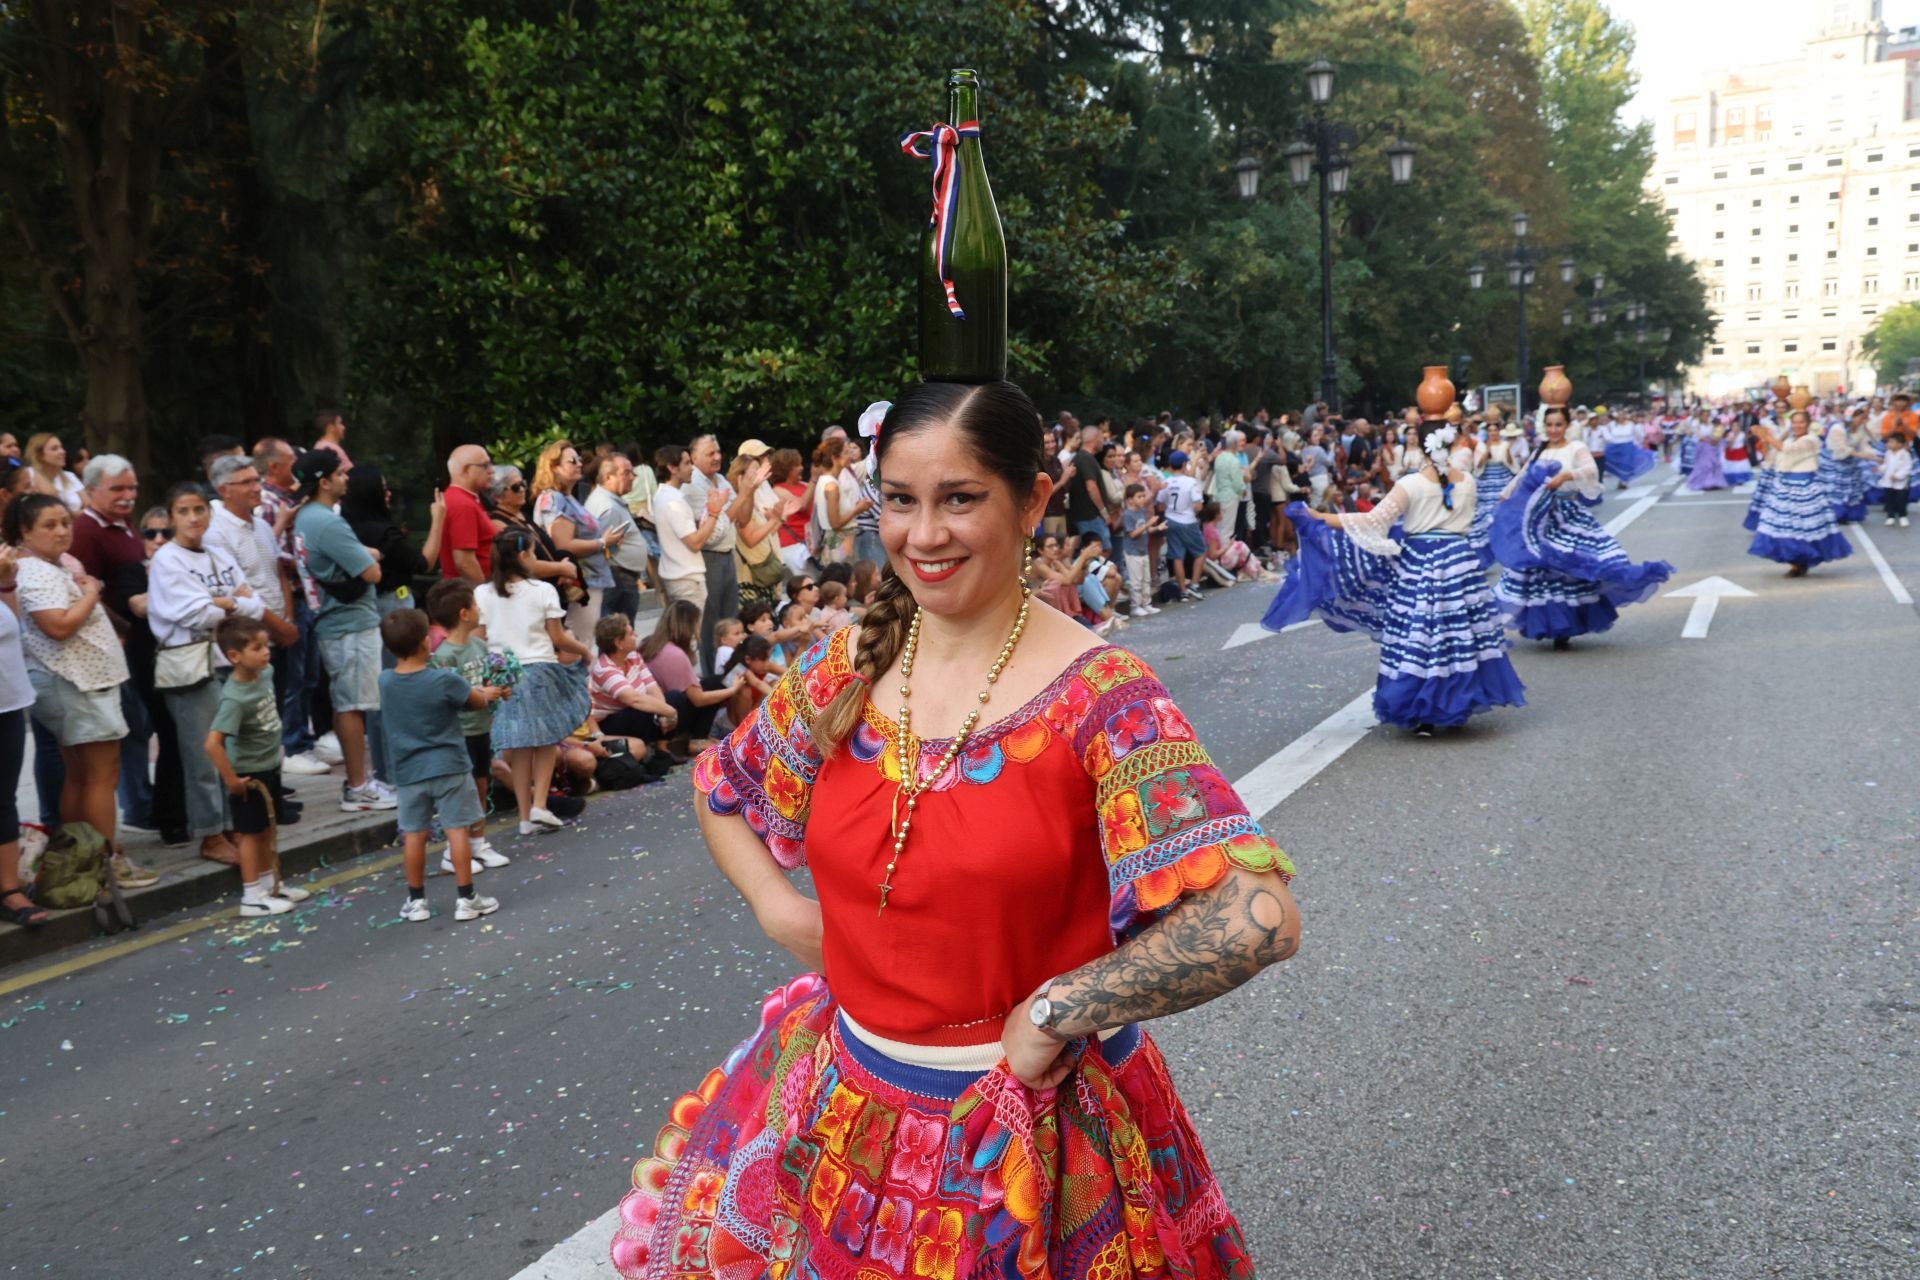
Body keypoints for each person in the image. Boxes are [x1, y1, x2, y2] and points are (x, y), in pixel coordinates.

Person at [610, 379, 1298, 1280]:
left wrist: (1056, 1013)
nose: (923, 535)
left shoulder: (1104, 698)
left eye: (960, 498)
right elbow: (722, 784)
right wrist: (783, 913)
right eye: (900, 500)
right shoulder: (851, 663)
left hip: (1027, 1139)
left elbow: (1258, 916)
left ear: (1033, 501)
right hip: (843, 1108)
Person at [1271, 418, 1525, 735]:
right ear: (1454, 445)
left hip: (1420, 563)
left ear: (1421, 447)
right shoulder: (1468, 482)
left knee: (1421, 636)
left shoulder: (1411, 484)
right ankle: (1457, 704)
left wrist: (1321, 516)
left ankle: (1426, 711)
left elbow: (1374, 520)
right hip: (1460, 564)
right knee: (1458, 636)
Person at [9, 494, 137, 878]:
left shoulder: (45, 565)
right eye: (48, 525)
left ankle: (84, 859)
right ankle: (106, 865)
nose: (62, 531)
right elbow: (59, 626)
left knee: (81, 775)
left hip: (77, 681)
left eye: (65, 521)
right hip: (77, 682)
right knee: (100, 776)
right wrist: (92, 593)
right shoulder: (32, 570)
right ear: (23, 531)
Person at [149, 482, 267, 864]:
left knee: (230, 751)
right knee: (203, 755)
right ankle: (210, 832)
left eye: (199, 509)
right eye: (183, 511)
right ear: (171, 518)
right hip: (191, 666)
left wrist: (221, 603)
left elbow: (258, 605)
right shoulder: (168, 560)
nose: (193, 518)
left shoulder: (217, 555)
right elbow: (193, 613)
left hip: (225, 662)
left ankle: (232, 823)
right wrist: (233, 603)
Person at [1491, 406, 1674, 650]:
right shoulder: (1539, 450)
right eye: (1550, 425)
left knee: (1569, 567)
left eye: (1558, 424)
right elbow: (1522, 477)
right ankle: (1547, 621)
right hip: (1539, 518)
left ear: (1567, 426)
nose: (1554, 429)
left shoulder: (1575, 447)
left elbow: (1591, 470)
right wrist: (1505, 495)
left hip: (1567, 513)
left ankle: (1566, 624)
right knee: (1538, 570)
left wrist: (1566, 476)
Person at [378, 607, 505, 922]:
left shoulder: (385, 681)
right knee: (457, 830)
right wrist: (484, 692)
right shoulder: (444, 679)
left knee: (414, 834)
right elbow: (475, 701)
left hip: (408, 771)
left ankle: (416, 901)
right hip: (449, 765)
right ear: (426, 642)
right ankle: (466, 898)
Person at [291, 450, 397, 811]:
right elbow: (372, 572)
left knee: (346, 703)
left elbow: (359, 556)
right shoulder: (327, 522)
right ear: (324, 481)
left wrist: (366, 555)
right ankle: (358, 787)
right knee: (354, 706)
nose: (346, 479)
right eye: (340, 473)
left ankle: (359, 783)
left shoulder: (308, 517)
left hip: (334, 622)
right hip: (349, 623)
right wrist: (373, 557)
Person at [476, 527, 592, 836]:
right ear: (523, 556)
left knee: (521, 744)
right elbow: (557, 638)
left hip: (504, 676)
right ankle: (540, 803)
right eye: (534, 551)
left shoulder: (482, 594)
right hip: (539, 670)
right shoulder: (542, 591)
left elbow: (480, 638)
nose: (538, 557)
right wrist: (583, 651)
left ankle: (526, 817)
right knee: (544, 741)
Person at [204, 616, 311, 917]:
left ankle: (271, 885)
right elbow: (212, 743)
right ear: (235, 656)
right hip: (247, 775)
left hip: (268, 767)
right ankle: (251, 895)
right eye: (257, 648)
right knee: (249, 834)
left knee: (266, 830)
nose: (266, 652)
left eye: (266, 645)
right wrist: (232, 781)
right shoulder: (234, 699)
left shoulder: (266, 673)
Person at [252, 438, 329, 776]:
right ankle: (292, 744)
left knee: (309, 674)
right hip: (288, 597)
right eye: (290, 459)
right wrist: (305, 562)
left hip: (304, 595)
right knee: (293, 677)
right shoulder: (267, 502)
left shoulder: (292, 497)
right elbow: (267, 553)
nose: (297, 464)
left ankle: (304, 740)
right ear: (273, 467)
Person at [423, 579, 512, 872]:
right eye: (474, 605)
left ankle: (477, 843)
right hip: (459, 732)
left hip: (482, 727)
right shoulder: (444, 655)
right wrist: (479, 696)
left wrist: (499, 688)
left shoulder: (478, 645)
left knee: (482, 784)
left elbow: (488, 679)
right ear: (464, 614)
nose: (478, 609)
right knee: (463, 791)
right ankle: (453, 850)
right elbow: (444, 696)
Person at [0, 541, 47, 925]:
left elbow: (10, 628)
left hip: (8, 702)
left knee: (4, 797)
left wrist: (6, 584)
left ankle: (9, 889)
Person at [530, 440, 619, 643]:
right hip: (578, 584)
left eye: (579, 459)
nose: (579, 464)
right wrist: (602, 542)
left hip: (588, 580)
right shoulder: (555, 499)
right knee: (582, 643)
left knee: (585, 641)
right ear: (553, 467)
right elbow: (563, 546)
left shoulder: (566, 497)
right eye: (572, 461)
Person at [1748, 410, 1854, 578]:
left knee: (1803, 526)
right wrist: (1765, 440)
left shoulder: (1811, 440)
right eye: (1794, 422)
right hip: (1785, 485)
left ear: (1808, 424)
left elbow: (1789, 450)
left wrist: (1768, 436)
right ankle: (1795, 562)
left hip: (1804, 486)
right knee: (1782, 525)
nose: (1797, 425)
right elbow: (1775, 456)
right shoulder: (1789, 438)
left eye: (1801, 422)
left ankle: (1800, 561)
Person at [686, 434, 760, 668]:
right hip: (709, 557)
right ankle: (712, 676)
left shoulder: (720, 480)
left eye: (718, 452)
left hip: (728, 555)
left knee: (731, 621)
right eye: (711, 453)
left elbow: (743, 518)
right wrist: (745, 493)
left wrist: (750, 489)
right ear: (694, 457)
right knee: (711, 625)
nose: (718, 457)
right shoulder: (693, 485)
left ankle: (733, 671)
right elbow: (715, 531)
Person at [637, 598, 731, 749]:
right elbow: (698, 699)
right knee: (716, 683)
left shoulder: (650, 643)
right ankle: (697, 738)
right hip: (665, 715)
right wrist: (732, 690)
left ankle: (693, 737)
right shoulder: (675, 653)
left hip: (654, 710)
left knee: (707, 682)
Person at [649, 444, 723, 633]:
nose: (692, 467)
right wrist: (714, 513)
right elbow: (695, 542)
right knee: (688, 638)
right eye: (687, 463)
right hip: (686, 579)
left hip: (679, 575)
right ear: (672, 468)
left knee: (681, 637)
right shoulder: (673, 501)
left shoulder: (664, 496)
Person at [588, 612, 679, 763]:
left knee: (675, 697)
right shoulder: (604, 669)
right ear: (619, 643)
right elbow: (633, 699)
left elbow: (652, 687)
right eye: (631, 633)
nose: (636, 635)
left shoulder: (633, 656)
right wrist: (669, 711)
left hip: (632, 711)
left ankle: (662, 749)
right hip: (611, 722)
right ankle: (647, 753)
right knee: (644, 710)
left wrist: (664, 712)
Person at [585, 454, 647, 621]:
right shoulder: (609, 507)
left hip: (620, 577)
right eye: (626, 473)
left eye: (632, 473)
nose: (632, 478)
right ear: (608, 477)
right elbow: (603, 548)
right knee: (620, 634)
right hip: (618, 578)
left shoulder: (608, 501)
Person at [441, 444, 497, 583]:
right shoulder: (463, 504)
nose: (492, 471)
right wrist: (485, 595)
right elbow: (464, 562)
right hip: (473, 593)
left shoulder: (464, 499)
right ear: (466, 470)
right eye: (485, 466)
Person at [1156, 448, 1206, 601]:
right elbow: (1198, 506)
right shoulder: (1190, 482)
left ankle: (1182, 590)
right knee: (1200, 552)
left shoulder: (1166, 482)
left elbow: (1160, 505)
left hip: (1171, 519)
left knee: (1177, 555)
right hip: (1188, 520)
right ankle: (1195, 584)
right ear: (1184, 464)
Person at [1118, 481, 1163, 616]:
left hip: (1143, 550)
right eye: (1139, 496)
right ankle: (1135, 606)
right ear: (1130, 500)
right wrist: (1149, 524)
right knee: (1136, 581)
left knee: (1146, 579)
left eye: (1143, 496)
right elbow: (1133, 533)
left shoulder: (1142, 511)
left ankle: (1146, 603)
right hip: (1132, 552)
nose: (1143, 499)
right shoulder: (1127, 515)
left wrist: (1156, 528)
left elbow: (1144, 531)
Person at [767, 448, 812, 575]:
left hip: (809, 544)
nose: (802, 468)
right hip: (792, 546)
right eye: (797, 465)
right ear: (786, 469)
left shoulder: (804, 485)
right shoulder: (778, 490)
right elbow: (801, 505)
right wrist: (814, 480)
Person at [24, 434, 82, 510]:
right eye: (54, 449)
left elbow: (89, 505)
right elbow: (52, 500)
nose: (62, 451)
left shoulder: (69, 476)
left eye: (61, 447)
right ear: (39, 455)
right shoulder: (30, 474)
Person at [1880, 434, 1912, 527]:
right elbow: (1886, 465)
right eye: (1889, 442)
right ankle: (1890, 516)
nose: (1889, 444)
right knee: (1890, 499)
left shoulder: (1905, 454)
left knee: (1901, 500)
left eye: (1892, 442)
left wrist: (1898, 476)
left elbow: (1907, 467)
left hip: (1901, 482)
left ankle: (1903, 516)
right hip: (1888, 481)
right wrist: (1880, 469)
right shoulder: (1888, 453)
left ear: (1900, 444)